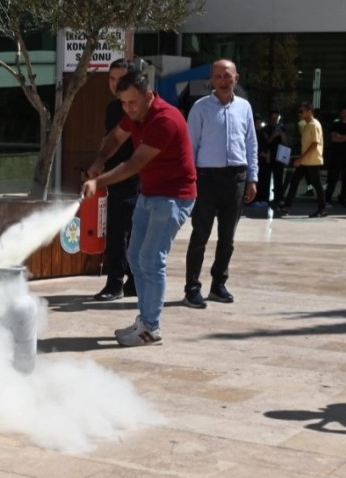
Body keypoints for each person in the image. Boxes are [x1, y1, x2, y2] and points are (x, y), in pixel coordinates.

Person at [83, 69, 197, 347]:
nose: (128, 108)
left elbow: (134, 164)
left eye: (132, 102)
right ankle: (145, 319)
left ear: (148, 96)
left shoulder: (165, 119)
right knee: (135, 256)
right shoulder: (135, 114)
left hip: (173, 197)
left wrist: (98, 182)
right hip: (150, 193)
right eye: (123, 102)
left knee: (151, 259)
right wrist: (99, 160)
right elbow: (114, 138)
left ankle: (150, 328)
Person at [180, 59, 258, 308]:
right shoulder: (200, 108)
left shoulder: (244, 108)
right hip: (206, 178)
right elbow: (190, 147)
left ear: (237, 78)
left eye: (227, 76)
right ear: (212, 80)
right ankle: (192, 287)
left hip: (236, 178)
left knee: (228, 237)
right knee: (200, 234)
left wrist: (252, 178)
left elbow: (251, 145)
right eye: (218, 76)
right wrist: (189, 181)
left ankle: (218, 284)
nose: (223, 81)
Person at [92, 58, 140, 301]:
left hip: (134, 175)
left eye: (120, 79)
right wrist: (99, 163)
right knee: (120, 230)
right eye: (111, 79)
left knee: (125, 231)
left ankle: (117, 283)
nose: (115, 84)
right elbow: (110, 138)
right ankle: (126, 281)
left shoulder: (137, 108)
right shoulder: (113, 108)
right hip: (115, 175)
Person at [278, 103, 326, 217]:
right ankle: (287, 206)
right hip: (306, 161)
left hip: (312, 161)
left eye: (302, 111)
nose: (300, 113)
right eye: (299, 111)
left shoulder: (314, 125)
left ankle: (322, 209)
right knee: (295, 181)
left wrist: (300, 158)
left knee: (316, 184)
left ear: (309, 111)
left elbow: (315, 144)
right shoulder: (307, 124)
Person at [323, 106, 346, 209]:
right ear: (341, 113)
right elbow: (334, 139)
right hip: (336, 155)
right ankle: (327, 198)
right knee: (332, 178)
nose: (345, 114)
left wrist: (341, 136)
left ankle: (343, 199)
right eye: (343, 112)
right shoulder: (336, 124)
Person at [257, 111, 287, 206]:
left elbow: (285, 143)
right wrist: (273, 136)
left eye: (276, 118)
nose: (275, 120)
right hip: (269, 156)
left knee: (278, 177)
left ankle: (279, 197)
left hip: (279, 156)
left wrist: (281, 135)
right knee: (266, 178)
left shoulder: (281, 128)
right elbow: (266, 143)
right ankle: (264, 197)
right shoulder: (266, 129)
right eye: (273, 118)